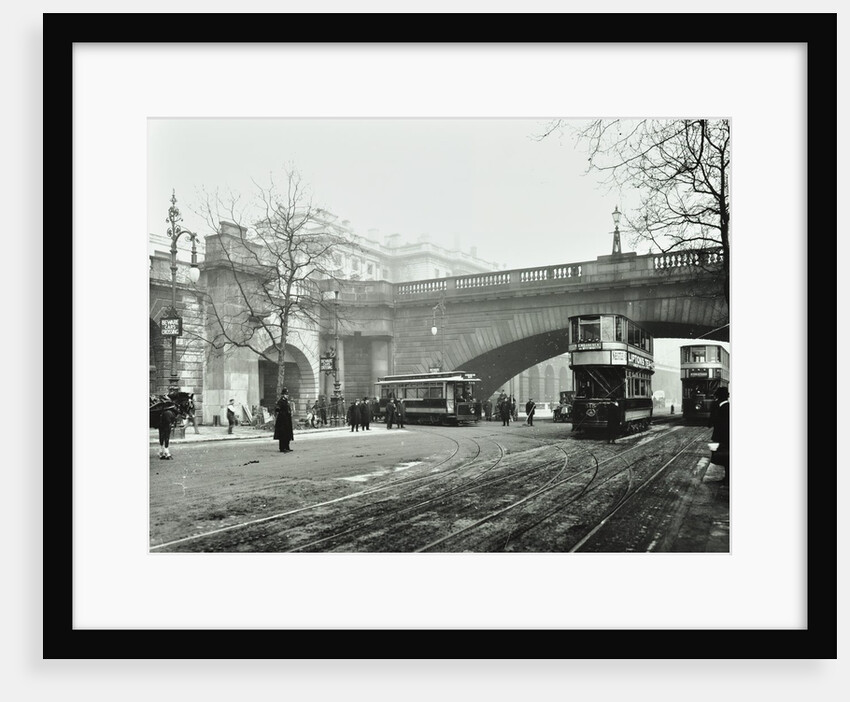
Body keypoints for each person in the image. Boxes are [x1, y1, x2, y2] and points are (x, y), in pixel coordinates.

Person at [710, 387, 730, 485]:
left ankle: (727, 479)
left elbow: (714, 422)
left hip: (724, 438)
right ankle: (727, 478)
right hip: (726, 437)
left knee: (726, 458)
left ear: (718, 397)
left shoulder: (722, 408)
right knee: (727, 459)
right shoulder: (727, 407)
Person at [274, 388, 294, 452]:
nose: (287, 395)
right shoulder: (280, 401)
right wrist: (282, 412)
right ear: (283, 395)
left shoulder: (286, 401)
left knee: (287, 434)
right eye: (285, 394)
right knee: (282, 434)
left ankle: (287, 447)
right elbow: (277, 409)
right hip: (282, 420)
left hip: (287, 420)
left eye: (287, 394)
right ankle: (282, 448)